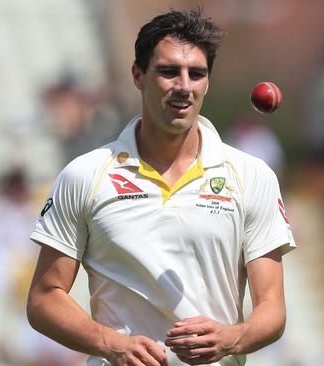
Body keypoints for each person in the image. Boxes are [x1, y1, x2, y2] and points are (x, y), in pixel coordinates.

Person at [27, 8, 296, 366]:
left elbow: (273, 308)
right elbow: (44, 298)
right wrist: (111, 344)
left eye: (196, 74)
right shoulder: (85, 175)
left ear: (207, 83)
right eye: (169, 71)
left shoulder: (252, 176)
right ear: (138, 75)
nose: (184, 86)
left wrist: (231, 337)